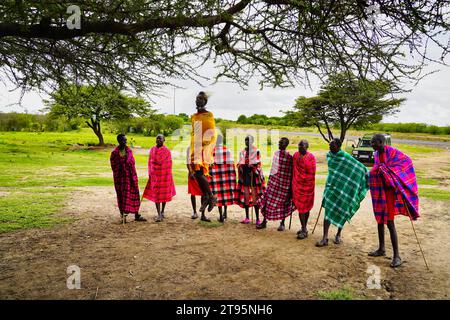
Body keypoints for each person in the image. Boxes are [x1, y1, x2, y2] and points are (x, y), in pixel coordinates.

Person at [368, 134, 420, 268]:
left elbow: (407, 162)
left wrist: (387, 171)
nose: (371, 144)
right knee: (379, 220)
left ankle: (397, 256)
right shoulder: (376, 154)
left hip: (389, 193)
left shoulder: (392, 152)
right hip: (379, 191)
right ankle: (381, 249)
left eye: (373, 142)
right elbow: (377, 168)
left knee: (390, 222)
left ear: (380, 142)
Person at [316, 138, 368, 247]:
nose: (330, 147)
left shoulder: (345, 157)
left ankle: (338, 234)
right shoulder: (329, 156)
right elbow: (333, 171)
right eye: (329, 145)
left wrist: (366, 175)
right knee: (328, 211)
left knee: (343, 210)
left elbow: (359, 168)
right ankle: (325, 238)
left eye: (332, 145)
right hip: (331, 187)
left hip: (343, 189)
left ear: (338, 146)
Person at [189, 91, 217, 221]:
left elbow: (210, 133)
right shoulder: (194, 117)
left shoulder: (208, 115)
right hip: (195, 148)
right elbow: (195, 133)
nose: (198, 101)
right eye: (197, 99)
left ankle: (211, 196)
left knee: (200, 173)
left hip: (204, 148)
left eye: (200, 99)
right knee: (197, 174)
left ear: (205, 102)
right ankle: (207, 196)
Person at [256, 137, 295, 231]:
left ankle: (282, 223)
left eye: (281, 143)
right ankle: (264, 222)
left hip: (284, 185)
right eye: (279, 142)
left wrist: (289, 186)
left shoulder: (289, 157)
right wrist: (270, 181)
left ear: (286, 145)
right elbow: (273, 169)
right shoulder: (276, 154)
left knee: (283, 203)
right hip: (273, 183)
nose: (279, 144)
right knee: (267, 201)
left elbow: (290, 172)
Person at [110, 134, 146, 222]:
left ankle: (137, 215)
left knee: (134, 194)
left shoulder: (129, 151)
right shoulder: (115, 153)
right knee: (122, 196)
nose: (125, 142)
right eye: (123, 140)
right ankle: (123, 217)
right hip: (121, 179)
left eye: (126, 140)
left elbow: (132, 162)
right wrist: (122, 166)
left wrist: (127, 165)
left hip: (130, 177)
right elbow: (114, 166)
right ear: (119, 141)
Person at [143, 134, 176, 222]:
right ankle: (158, 214)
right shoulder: (152, 149)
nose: (158, 139)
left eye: (160, 138)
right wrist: (150, 172)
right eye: (157, 138)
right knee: (157, 195)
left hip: (164, 176)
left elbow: (169, 164)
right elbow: (150, 161)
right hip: (155, 176)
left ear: (164, 140)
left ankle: (162, 211)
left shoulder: (167, 151)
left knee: (164, 195)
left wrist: (167, 175)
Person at [235, 135, 266, 225]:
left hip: (254, 177)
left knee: (255, 197)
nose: (247, 142)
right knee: (246, 197)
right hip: (245, 176)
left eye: (248, 141)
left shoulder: (257, 151)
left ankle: (257, 219)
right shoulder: (242, 152)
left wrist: (253, 167)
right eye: (246, 141)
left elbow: (258, 163)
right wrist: (242, 166)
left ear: (252, 142)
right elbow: (240, 162)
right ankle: (247, 217)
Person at [209, 134, 237, 222]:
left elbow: (209, 166)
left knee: (219, 196)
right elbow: (232, 166)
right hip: (226, 178)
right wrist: (232, 178)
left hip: (216, 179)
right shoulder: (227, 151)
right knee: (225, 195)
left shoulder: (211, 151)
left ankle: (221, 215)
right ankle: (225, 212)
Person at [292, 140, 316, 239]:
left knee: (306, 208)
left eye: (302, 146)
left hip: (308, 186)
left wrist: (304, 179)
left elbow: (312, 172)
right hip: (297, 186)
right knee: (301, 208)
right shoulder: (295, 155)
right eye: (299, 146)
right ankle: (304, 228)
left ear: (307, 147)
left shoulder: (311, 157)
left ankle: (304, 228)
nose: (300, 148)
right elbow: (293, 169)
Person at [186, 145, 207, 220]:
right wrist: (191, 172)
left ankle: (203, 214)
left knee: (203, 193)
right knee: (193, 193)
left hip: (201, 173)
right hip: (193, 173)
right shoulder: (190, 148)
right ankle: (194, 212)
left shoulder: (203, 147)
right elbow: (188, 162)